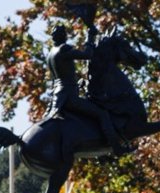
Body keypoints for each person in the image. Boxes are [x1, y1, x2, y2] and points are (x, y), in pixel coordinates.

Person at [47, 23, 126, 155]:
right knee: (102, 114)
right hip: (69, 97)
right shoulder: (63, 49)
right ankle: (116, 147)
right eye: (65, 34)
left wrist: (77, 83)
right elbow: (87, 54)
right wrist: (90, 37)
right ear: (62, 36)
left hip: (58, 95)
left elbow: (62, 77)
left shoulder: (50, 53)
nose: (66, 36)